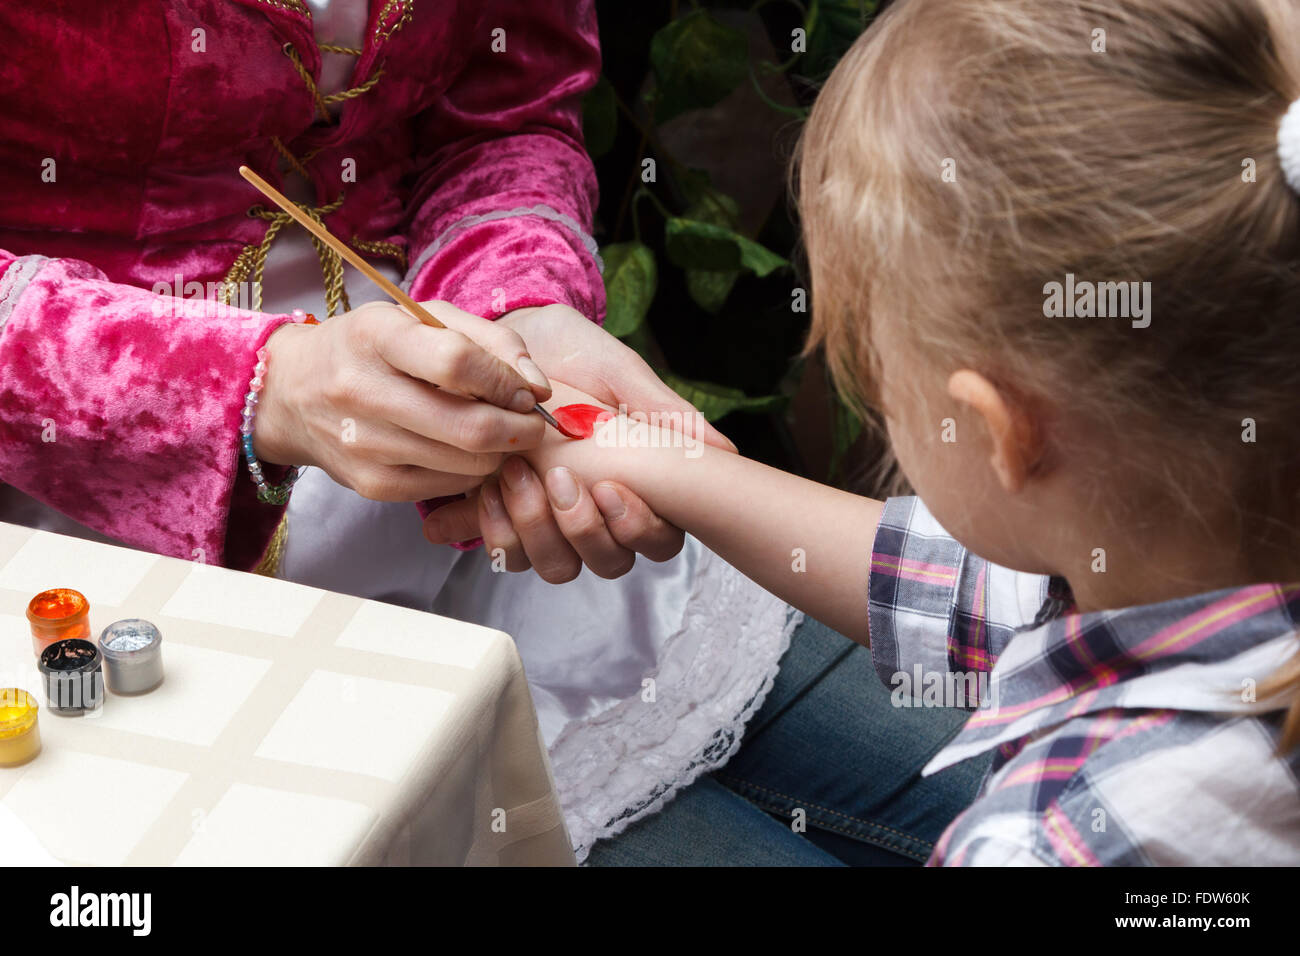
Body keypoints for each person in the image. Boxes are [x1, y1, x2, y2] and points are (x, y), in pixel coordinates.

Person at [481, 0, 1300, 864]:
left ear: (1002, 432)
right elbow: (966, 589)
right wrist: (631, 451)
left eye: (877, 379)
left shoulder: (1041, 843)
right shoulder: (1198, 554)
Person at [0, 0, 815, 861]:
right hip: (122, 554)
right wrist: (252, 389)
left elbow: (507, 117)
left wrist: (519, 296)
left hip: (503, 515)